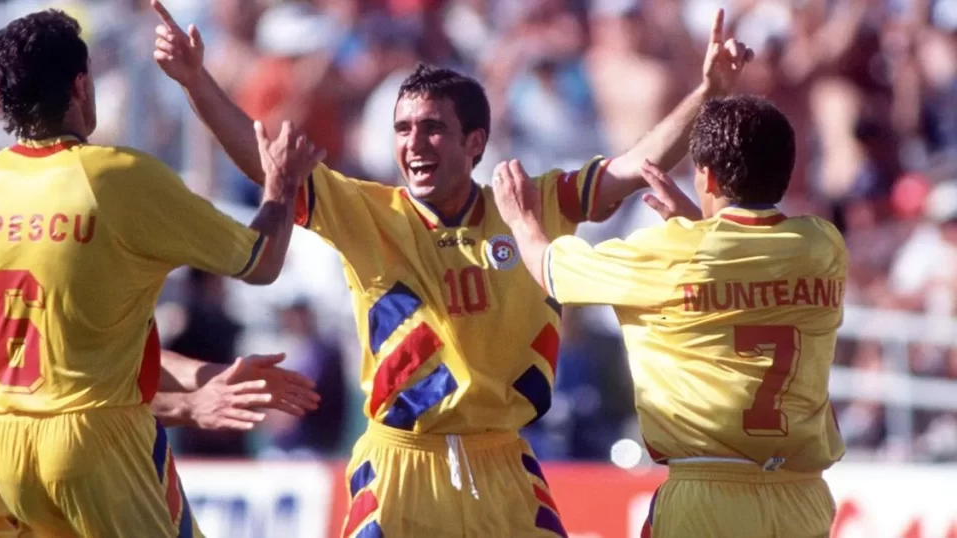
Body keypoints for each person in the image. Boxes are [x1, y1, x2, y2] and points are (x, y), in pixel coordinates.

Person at [152, 2, 752, 535]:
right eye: (404, 130)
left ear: (475, 143)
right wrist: (194, 81)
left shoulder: (527, 206)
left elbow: (630, 169)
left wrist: (709, 94)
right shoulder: (367, 212)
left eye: (434, 128)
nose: (415, 144)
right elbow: (266, 166)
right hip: (400, 470)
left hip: (504, 468)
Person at [0, 10, 323, 538]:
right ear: (80, 85)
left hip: (9, 446)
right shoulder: (116, 176)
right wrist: (280, 187)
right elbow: (260, 261)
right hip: (95, 441)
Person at [493, 95, 846, 537]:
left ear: (708, 176)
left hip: (708, 494)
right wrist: (702, 223)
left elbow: (554, 271)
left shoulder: (668, 253)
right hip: (803, 496)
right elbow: (746, 273)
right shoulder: (822, 246)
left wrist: (522, 219)